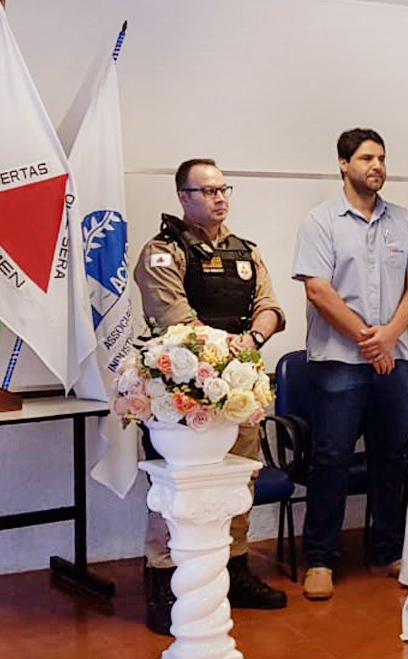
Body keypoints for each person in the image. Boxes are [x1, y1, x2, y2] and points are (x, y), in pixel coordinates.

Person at [133, 158, 287, 635]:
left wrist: (253, 341)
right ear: (184, 197)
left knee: (240, 482)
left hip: (239, 390)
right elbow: (177, 318)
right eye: (208, 190)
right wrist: (226, 351)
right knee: (179, 491)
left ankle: (235, 572)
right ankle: (164, 583)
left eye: (224, 189)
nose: (220, 198)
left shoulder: (247, 252)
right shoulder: (162, 252)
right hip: (183, 396)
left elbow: (270, 307)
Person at [292, 128, 408, 600]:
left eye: (382, 158)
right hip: (339, 361)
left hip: (394, 360)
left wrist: (390, 336)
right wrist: (365, 339)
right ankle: (320, 559)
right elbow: (318, 290)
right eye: (367, 158)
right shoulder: (321, 221)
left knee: (391, 456)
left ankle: (388, 549)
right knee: (331, 458)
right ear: (343, 164)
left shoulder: (403, 220)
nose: (377, 166)